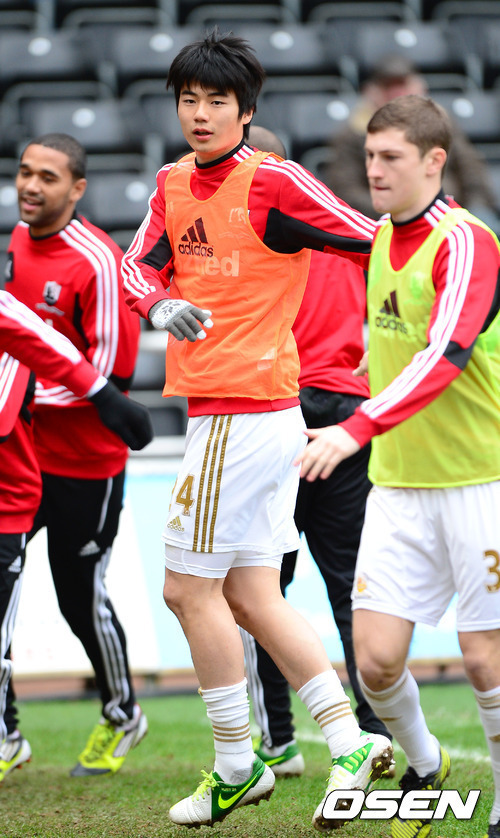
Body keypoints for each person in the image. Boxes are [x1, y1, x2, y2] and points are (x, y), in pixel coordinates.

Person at [121, 29, 393, 832]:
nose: (200, 114)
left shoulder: (273, 179)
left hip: (242, 414)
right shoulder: (171, 183)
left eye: (218, 101)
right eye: (189, 99)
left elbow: (374, 238)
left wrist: (423, 304)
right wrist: (158, 302)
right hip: (249, 417)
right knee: (248, 594)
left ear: (246, 111)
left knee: (184, 590)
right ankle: (348, 741)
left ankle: (239, 765)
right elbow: (137, 264)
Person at [296, 94, 500, 838]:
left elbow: (445, 353)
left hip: (479, 482)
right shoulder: (381, 235)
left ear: (434, 162)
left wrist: (354, 427)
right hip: (399, 487)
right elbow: (392, 337)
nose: (374, 170)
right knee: (376, 663)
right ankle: (426, 763)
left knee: (484, 661)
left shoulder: (467, 241)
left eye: (390, 158)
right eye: (370, 156)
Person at [240, 124, 393, 778]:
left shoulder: (238, 229)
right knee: (349, 583)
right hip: (344, 415)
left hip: (273, 411)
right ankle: (375, 727)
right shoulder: (343, 224)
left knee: (258, 587)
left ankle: (279, 740)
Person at [5, 133, 150, 779]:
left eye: (48, 177)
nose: (31, 186)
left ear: (78, 188)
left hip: (86, 463)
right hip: (22, 453)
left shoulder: (98, 261)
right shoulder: (17, 239)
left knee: (79, 598)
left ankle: (123, 713)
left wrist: (22, 390)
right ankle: (6, 732)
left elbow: (112, 378)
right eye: (24, 172)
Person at [326, 54, 498, 228]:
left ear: (419, 87)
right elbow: (347, 191)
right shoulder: (354, 133)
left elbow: (470, 168)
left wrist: (477, 206)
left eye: (402, 85)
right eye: (388, 87)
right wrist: (403, 211)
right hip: (385, 220)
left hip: (453, 211)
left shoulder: (441, 121)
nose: (397, 94)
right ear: (372, 92)